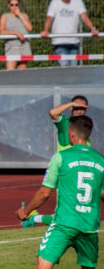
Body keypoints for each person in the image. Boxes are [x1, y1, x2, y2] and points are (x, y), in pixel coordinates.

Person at [16, 115, 103, 269]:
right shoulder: (101, 161)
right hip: (90, 226)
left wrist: (26, 211)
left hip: (64, 225)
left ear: (72, 134)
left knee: (41, 267)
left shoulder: (61, 157)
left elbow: (45, 193)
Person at [23, 95, 91, 228]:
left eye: (82, 108)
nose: (79, 111)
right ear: (71, 107)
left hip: (79, 170)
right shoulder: (65, 122)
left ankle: (34, 218)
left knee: (75, 210)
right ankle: (33, 217)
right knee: (69, 210)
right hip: (65, 168)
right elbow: (53, 112)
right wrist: (71, 103)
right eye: (76, 107)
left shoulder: (85, 126)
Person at [41, 0, 99, 67]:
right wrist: (45, 31)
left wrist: (92, 28)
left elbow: (84, 17)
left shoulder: (77, 2)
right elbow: (49, 18)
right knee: (64, 67)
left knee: (73, 67)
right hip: (59, 42)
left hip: (73, 42)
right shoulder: (55, 3)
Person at [0, 0, 32, 70]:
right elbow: (1, 31)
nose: (14, 7)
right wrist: (16, 33)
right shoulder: (5, 16)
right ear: (8, 6)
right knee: (10, 72)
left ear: (19, 5)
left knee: (22, 72)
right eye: (12, 5)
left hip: (24, 46)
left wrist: (20, 15)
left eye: (16, 5)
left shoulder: (24, 15)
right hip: (12, 47)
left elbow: (29, 28)